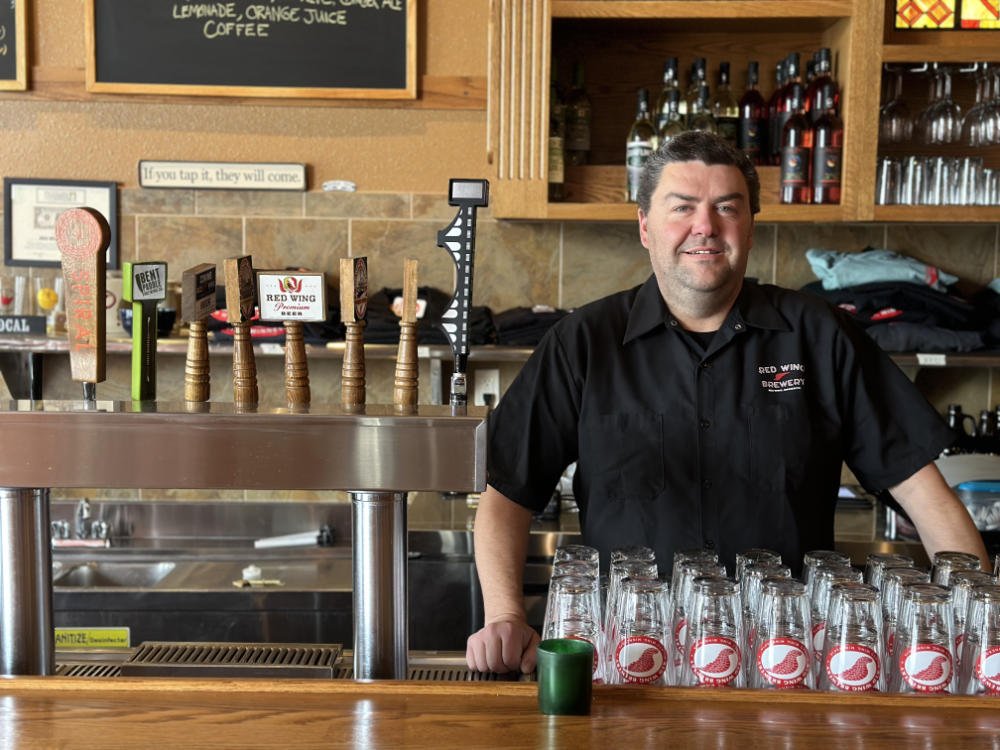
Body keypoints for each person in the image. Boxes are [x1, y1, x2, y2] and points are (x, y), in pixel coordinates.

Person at [465, 130, 989, 675]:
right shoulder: (584, 341)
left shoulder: (819, 335)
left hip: (785, 666)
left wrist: (984, 621)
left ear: (751, 226)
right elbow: (507, 493)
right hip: (627, 662)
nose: (705, 227)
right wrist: (503, 614)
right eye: (683, 208)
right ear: (645, 227)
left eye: (726, 208)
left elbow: (922, 491)